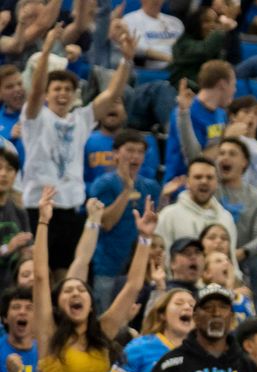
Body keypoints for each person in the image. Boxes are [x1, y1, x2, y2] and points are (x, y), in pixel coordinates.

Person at [33, 187, 153, 372]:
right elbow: (39, 277)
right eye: (67, 291)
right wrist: (43, 221)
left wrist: (145, 237)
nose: (76, 293)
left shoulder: (103, 334)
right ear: (59, 305)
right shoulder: (49, 336)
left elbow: (134, 285)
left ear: (89, 302)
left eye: (81, 290)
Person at [22, 24, 134, 271]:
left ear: (75, 96)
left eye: (68, 90)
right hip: (38, 207)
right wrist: (48, 49)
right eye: (57, 89)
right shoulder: (35, 118)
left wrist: (126, 59)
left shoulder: (81, 119)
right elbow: (36, 89)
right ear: (47, 95)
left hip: (72, 208)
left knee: (68, 273)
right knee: (39, 272)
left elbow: (112, 92)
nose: (63, 93)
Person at [91, 130, 164, 311]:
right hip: (107, 268)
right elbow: (106, 223)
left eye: (140, 152)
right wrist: (126, 190)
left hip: (139, 270)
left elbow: (153, 228)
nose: (135, 156)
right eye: (130, 150)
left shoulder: (151, 187)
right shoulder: (104, 184)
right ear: (116, 153)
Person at [164, 60, 235, 183]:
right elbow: (194, 161)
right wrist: (227, 138)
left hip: (211, 186)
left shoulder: (221, 114)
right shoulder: (184, 112)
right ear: (223, 84)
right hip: (181, 185)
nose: (234, 90)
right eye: (233, 85)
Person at [157, 157, 240, 255]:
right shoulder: (168, 215)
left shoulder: (226, 218)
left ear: (217, 183)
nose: (204, 181)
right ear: (187, 182)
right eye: (198, 177)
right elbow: (161, 258)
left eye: (209, 177)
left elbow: (231, 261)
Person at [216, 137, 257, 277]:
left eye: (232, 153)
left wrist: (243, 252)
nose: (225, 157)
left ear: (244, 162)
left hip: (247, 266)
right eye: (221, 153)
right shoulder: (210, 191)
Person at [123, 0, 184, 69]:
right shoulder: (130, 20)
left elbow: (185, 45)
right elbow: (137, 47)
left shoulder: (175, 22)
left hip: (181, 64)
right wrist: (169, 58)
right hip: (155, 67)